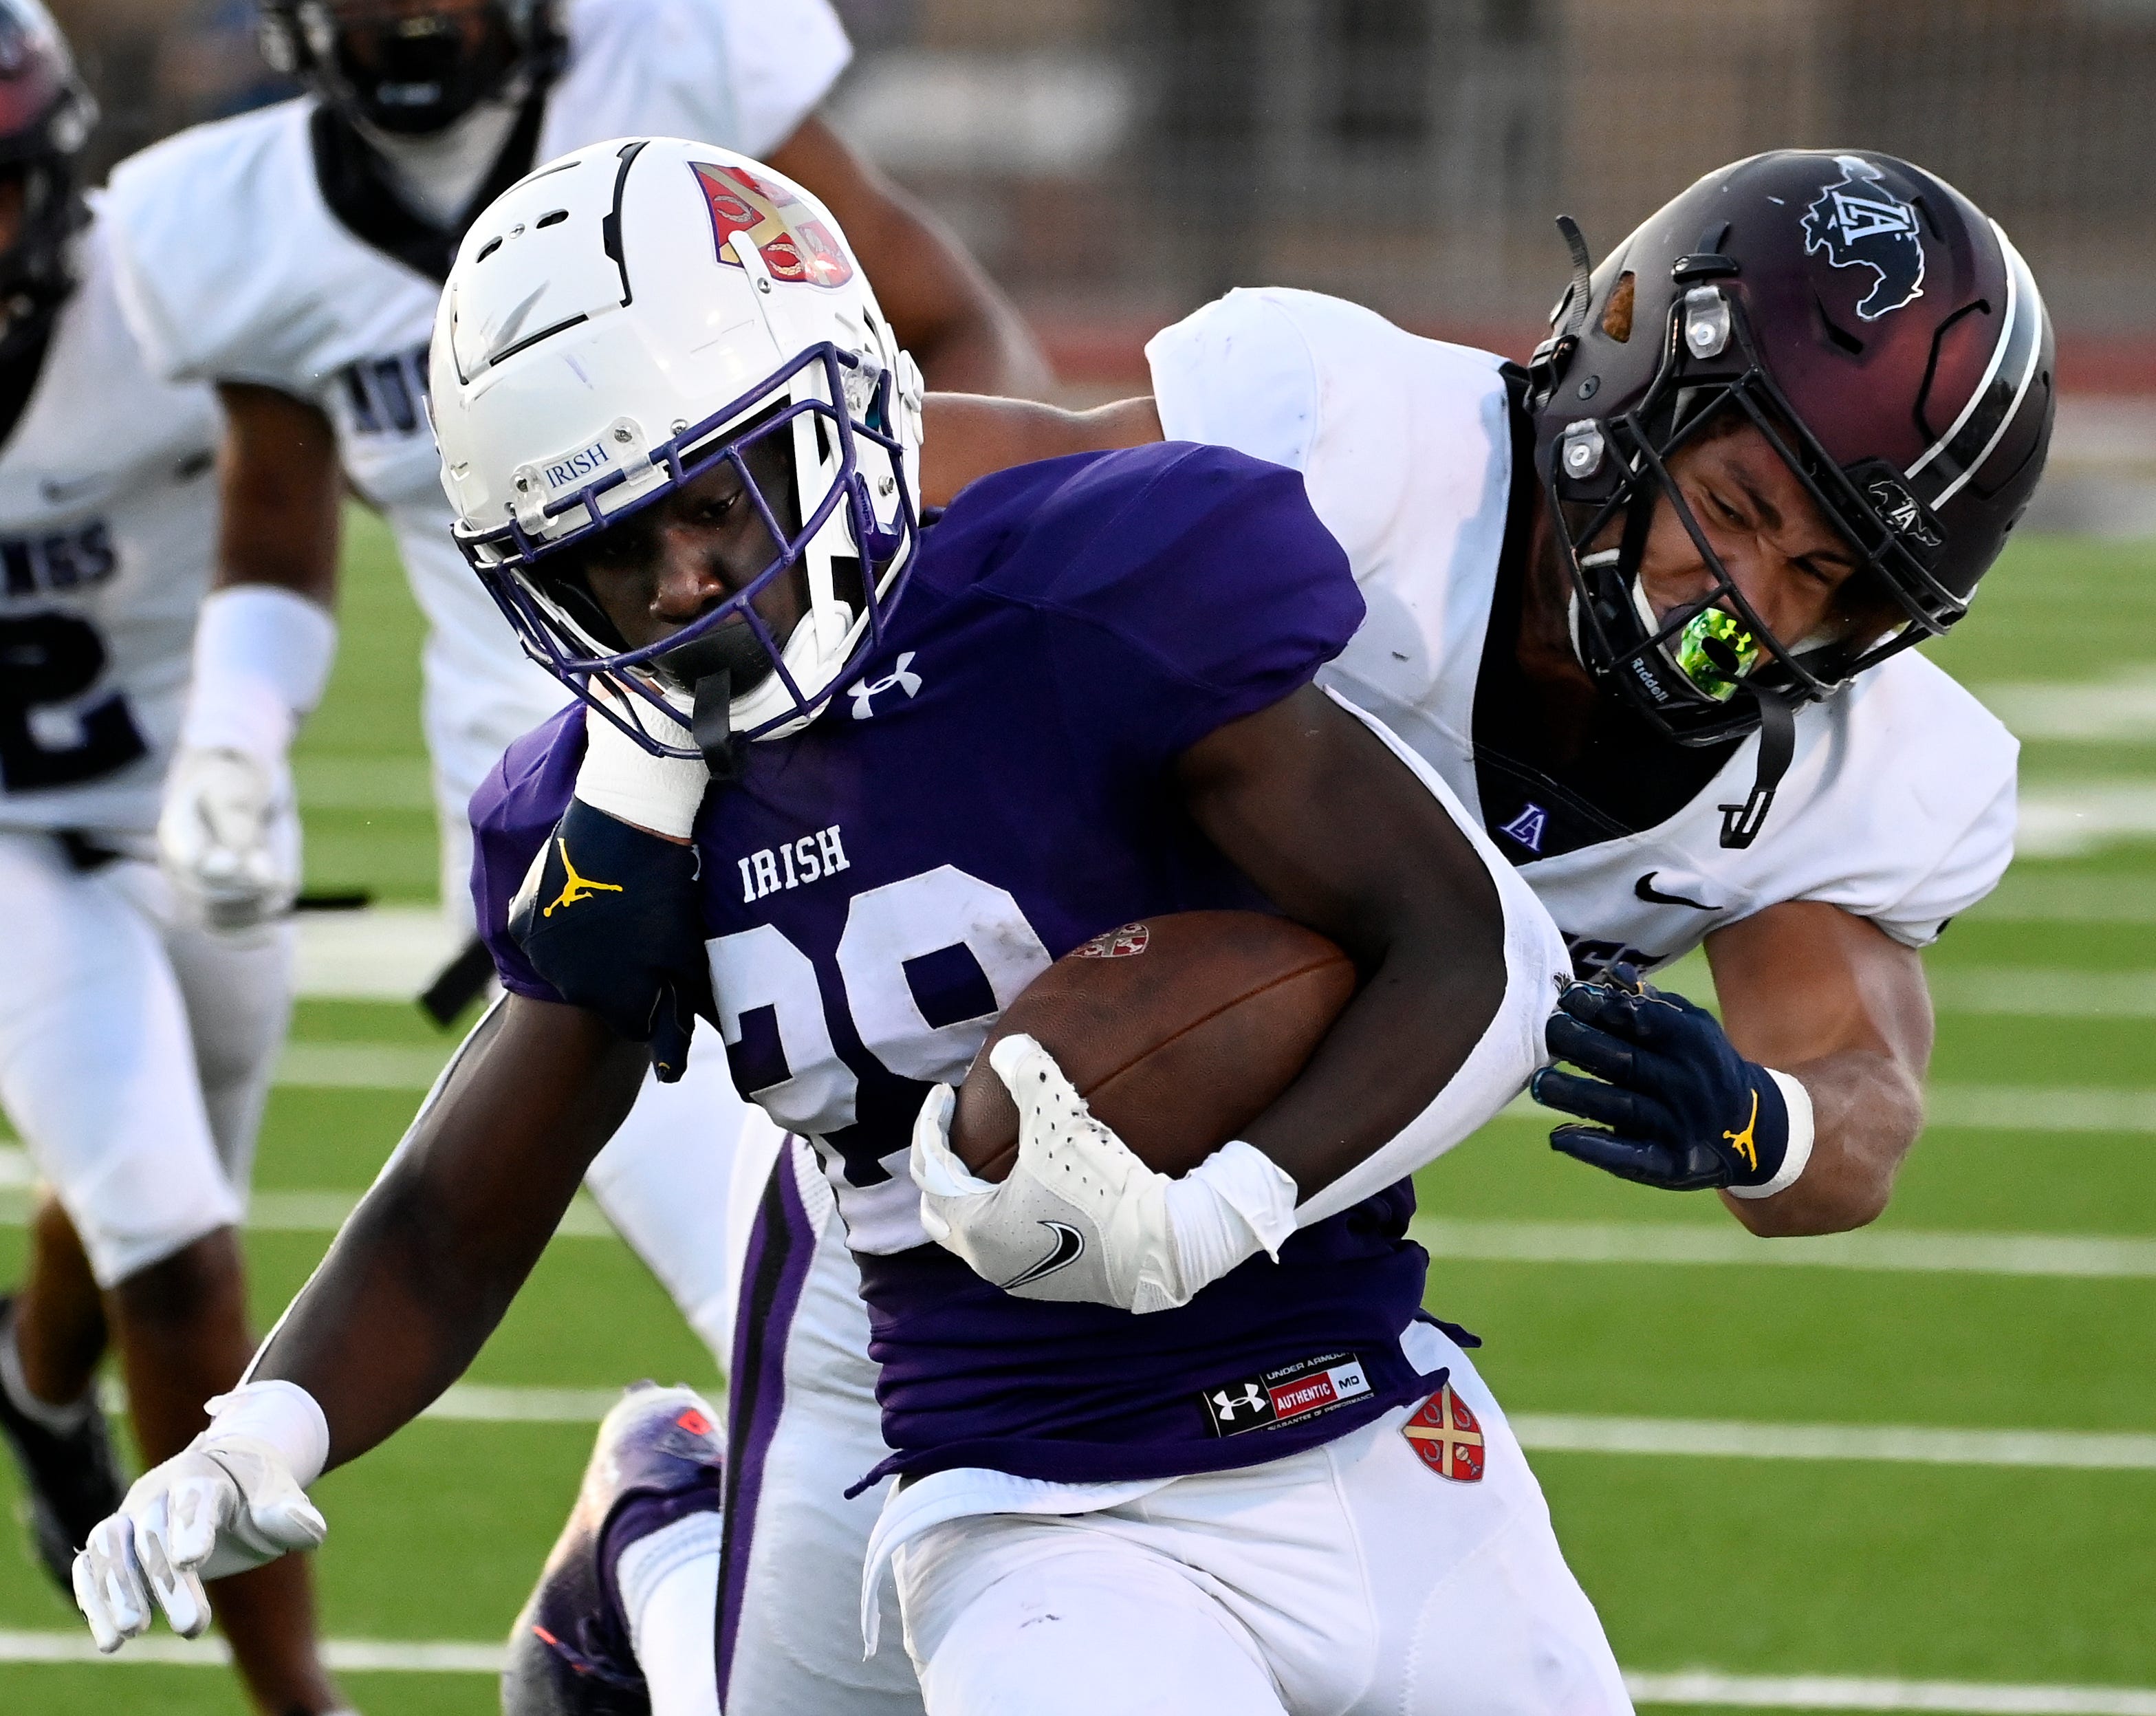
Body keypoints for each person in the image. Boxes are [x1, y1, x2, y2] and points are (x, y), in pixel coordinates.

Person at [72, 140, 1605, 1716]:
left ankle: (656, 1539)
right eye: (609, 551)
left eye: (712, 503)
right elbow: (462, 1207)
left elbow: (1473, 948)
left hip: (1373, 1411)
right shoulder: (609, 819)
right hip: (1021, 1488)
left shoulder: (1093, 604)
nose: (681, 588)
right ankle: (657, 1544)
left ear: (837, 417)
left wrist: (1224, 1205)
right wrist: (261, 1432)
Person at [523, 147, 2058, 1713]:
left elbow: (1861, 1104)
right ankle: (654, 1541)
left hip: (1302, 1247)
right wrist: (644, 767)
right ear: (1624, 366)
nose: (1751, 609)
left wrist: (1762, 1123)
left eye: (1834, 585)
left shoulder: (1853, 765)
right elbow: (887, 489)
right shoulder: (1364, 444)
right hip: (951, 1187)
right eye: (1734, 511)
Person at [55, 0, 1050, 1413]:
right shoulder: (231, 223)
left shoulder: (686, 65)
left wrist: (935, 602)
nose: (407, 16)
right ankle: (655, 1522)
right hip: (589, 839)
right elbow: (274, 519)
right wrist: (235, 735)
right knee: (804, 1337)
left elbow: (938, 329)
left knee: (994, 1275)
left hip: (849, 769)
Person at [0, 3, 347, 1710]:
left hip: (186, 800)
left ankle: (27, 1374)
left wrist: (239, 741)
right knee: (185, 1247)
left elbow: (308, 475)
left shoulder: (162, 286)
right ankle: (298, 1701)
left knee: (141, 1170)